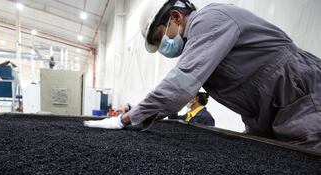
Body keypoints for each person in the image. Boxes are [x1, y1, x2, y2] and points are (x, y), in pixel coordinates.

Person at [84, 0, 321, 149]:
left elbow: (179, 86)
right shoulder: (197, 43)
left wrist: (123, 120)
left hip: (298, 91)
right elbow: (174, 93)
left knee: (302, 165)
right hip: (265, 111)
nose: (163, 46)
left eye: (160, 37)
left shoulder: (211, 20)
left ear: (176, 17)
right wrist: (138, 110)